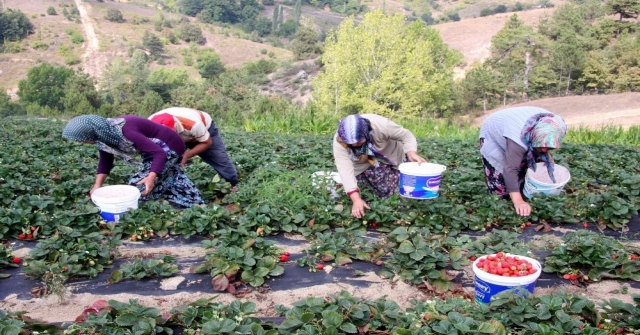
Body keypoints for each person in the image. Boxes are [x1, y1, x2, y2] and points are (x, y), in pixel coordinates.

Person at [62, 115, 204, 208]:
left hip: (167, 146)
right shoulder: (104, 135)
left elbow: (159, 153)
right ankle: (195, 204)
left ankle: (136, 210)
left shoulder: (125, 131)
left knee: (138, 187)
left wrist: (151, 177)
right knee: (171, 176)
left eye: (82, 139)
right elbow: (106, 161)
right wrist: (97, 185)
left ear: (90, 132)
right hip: (154, 149)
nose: (83, 142)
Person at [333, 114, 427, 219]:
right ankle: (380, 208)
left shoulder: (382, 125)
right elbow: (344, 169)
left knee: (395, 194)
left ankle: (400, 212)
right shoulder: (340, 140)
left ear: (366, 132)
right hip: (360, 163)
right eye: (350, 143)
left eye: (358, 142)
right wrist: (356, 199)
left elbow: (406, 135)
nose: (354, 145)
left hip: (388, 154)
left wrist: (411, 152)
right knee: (366, 197)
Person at [479, 106, 567, 217]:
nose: (545, 149)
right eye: (542, 145)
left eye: (549, 147)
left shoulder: (558, 127)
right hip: (495, 128)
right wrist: (518, 202)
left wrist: (547, 157)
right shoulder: (518, 139)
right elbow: (510, 169)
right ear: (532, 137)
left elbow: (546, 141)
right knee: (501, 189)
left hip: (524, 126)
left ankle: (523, 187)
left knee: (535, 163)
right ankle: (513, 194)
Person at [148, 107, 239, 190]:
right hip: (181, 134)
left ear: (175, 126)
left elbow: (207, 142)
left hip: (204, 131)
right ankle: (162, 187)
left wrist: (187, 155)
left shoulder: (193, 124)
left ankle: (232, 185)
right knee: (167, 159)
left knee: (219, 158)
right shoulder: (149, 124)